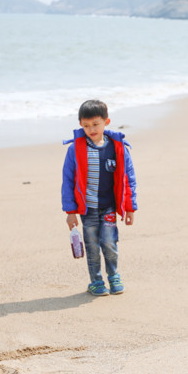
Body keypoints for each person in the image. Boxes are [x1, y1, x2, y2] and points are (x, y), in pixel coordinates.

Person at [61, 99, 137, 296]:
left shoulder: (117, 148)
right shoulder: (75, 150)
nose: (91, 129)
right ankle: (96, 281)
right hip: (88, 210)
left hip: (110, 208)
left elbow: (128, 179)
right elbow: (68, 181)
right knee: (92, 246)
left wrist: (130, 208)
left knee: (109, 243)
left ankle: (113, 276)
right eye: (86, 125)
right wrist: (70, 212)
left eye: (95, 124)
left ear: (106, 121)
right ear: (80, 125)